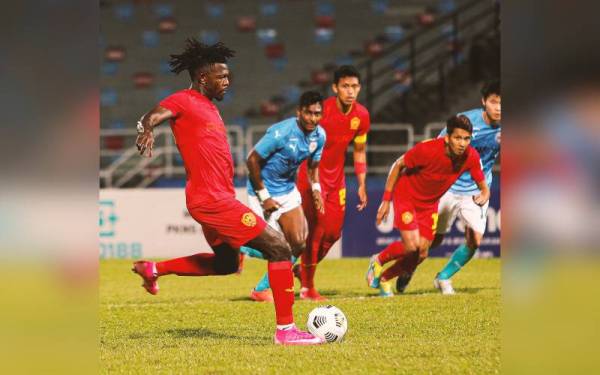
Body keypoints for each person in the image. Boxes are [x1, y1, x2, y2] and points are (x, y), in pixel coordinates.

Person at [131, 38, 323, 345]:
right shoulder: (183, 100)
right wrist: (147, 129)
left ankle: (154, 269)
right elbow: (151, 116)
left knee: (226, 264)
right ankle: (286, 331)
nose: (228, 82)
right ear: (203, 78)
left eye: (228, 76)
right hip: (211, 200)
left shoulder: (208, 107)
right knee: (280, 248)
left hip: (217, 198)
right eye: (222, 77)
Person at [365, 115, 490, 297]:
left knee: (421, 254)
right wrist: (386, 200)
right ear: (447, 138)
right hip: (407, 196)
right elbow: (398, 166)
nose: (462, 143)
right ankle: (377, 259)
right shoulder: (427, 149)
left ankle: (385, 278)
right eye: (457, 138)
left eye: (466, 139)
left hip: (430, 204)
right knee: (411, 246)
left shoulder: (470, 156)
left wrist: (485, 193)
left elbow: (482, 182)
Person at [239, 91, 326, 302]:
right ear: (299, 112)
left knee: (298, 244)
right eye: (309, 113)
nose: (313, 118)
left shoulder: (319, 136)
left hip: (287, 191)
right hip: (262, 191)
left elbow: (313, 167)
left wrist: (316, 189)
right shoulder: (281, 133)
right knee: (275, 246)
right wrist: (264, 196)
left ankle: (260, 290)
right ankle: (240, 247)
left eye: (317, 114)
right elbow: (251, 161)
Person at [294, 65, 371, 301]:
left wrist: (361, 183)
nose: (350, 91)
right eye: (345, 86)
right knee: (315, 232)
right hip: (310, 177)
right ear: (335, 88)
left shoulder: (362, 116)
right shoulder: (321, 111)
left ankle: (301, 273)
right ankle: (308, 288)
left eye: (355, 86)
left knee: (333, 234)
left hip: (337, 181)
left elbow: (359, 151)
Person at [429, 80, 501, 295]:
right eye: (494, 102)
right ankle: (408, 266)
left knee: (475, 239)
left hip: (479, 189)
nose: (499, 107)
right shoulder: (467, 121)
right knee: (434, 239)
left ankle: (443, 277)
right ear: (484, 102)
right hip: (450, 187)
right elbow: (438, 144)